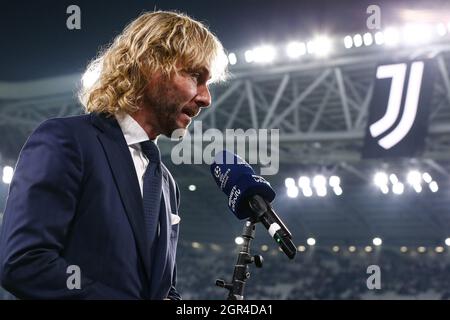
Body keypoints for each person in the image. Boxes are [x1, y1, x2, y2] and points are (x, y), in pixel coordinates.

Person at [0, 10, 228, 299]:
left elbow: (161, 290)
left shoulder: (167, 183)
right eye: (196, 76)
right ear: (151, 65)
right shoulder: (67, 141)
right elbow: (24, 262)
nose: (206, 98)